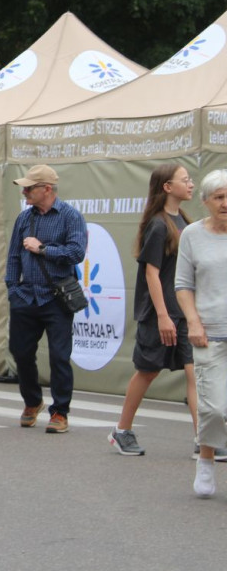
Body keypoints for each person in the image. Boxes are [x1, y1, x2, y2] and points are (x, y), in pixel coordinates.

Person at [110, 165, 208, 457]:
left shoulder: (185, 222)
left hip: (183, 314)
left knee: (194, 373)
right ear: (167, 187)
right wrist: (163, 315)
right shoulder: (157, 224)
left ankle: (204, 440)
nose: (191, 184)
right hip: (159, 314)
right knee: (148, 372)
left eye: (191, 180)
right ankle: (122, 431)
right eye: (185, 180)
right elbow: (151, 274)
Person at [5, 164, 86, 434]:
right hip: (25, 295)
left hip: (56, 298)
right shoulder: (24, 218)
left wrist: (43, 249)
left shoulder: (70, 217)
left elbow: (76, 253)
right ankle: (32, 402)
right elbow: (14, 256)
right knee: (21, 352)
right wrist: (12, 289)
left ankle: (60, 412)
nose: (25, 192)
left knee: (59, 357)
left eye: (30, 188)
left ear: (47, 189)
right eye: (24, 187)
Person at [176, 169, 227, 497]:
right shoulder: (192, 235)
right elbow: (183, 284)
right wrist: (193, 322)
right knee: (214, 407)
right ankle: (206, 458)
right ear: (206, 201)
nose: (225, 203)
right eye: (219, 197)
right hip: (209, 333)